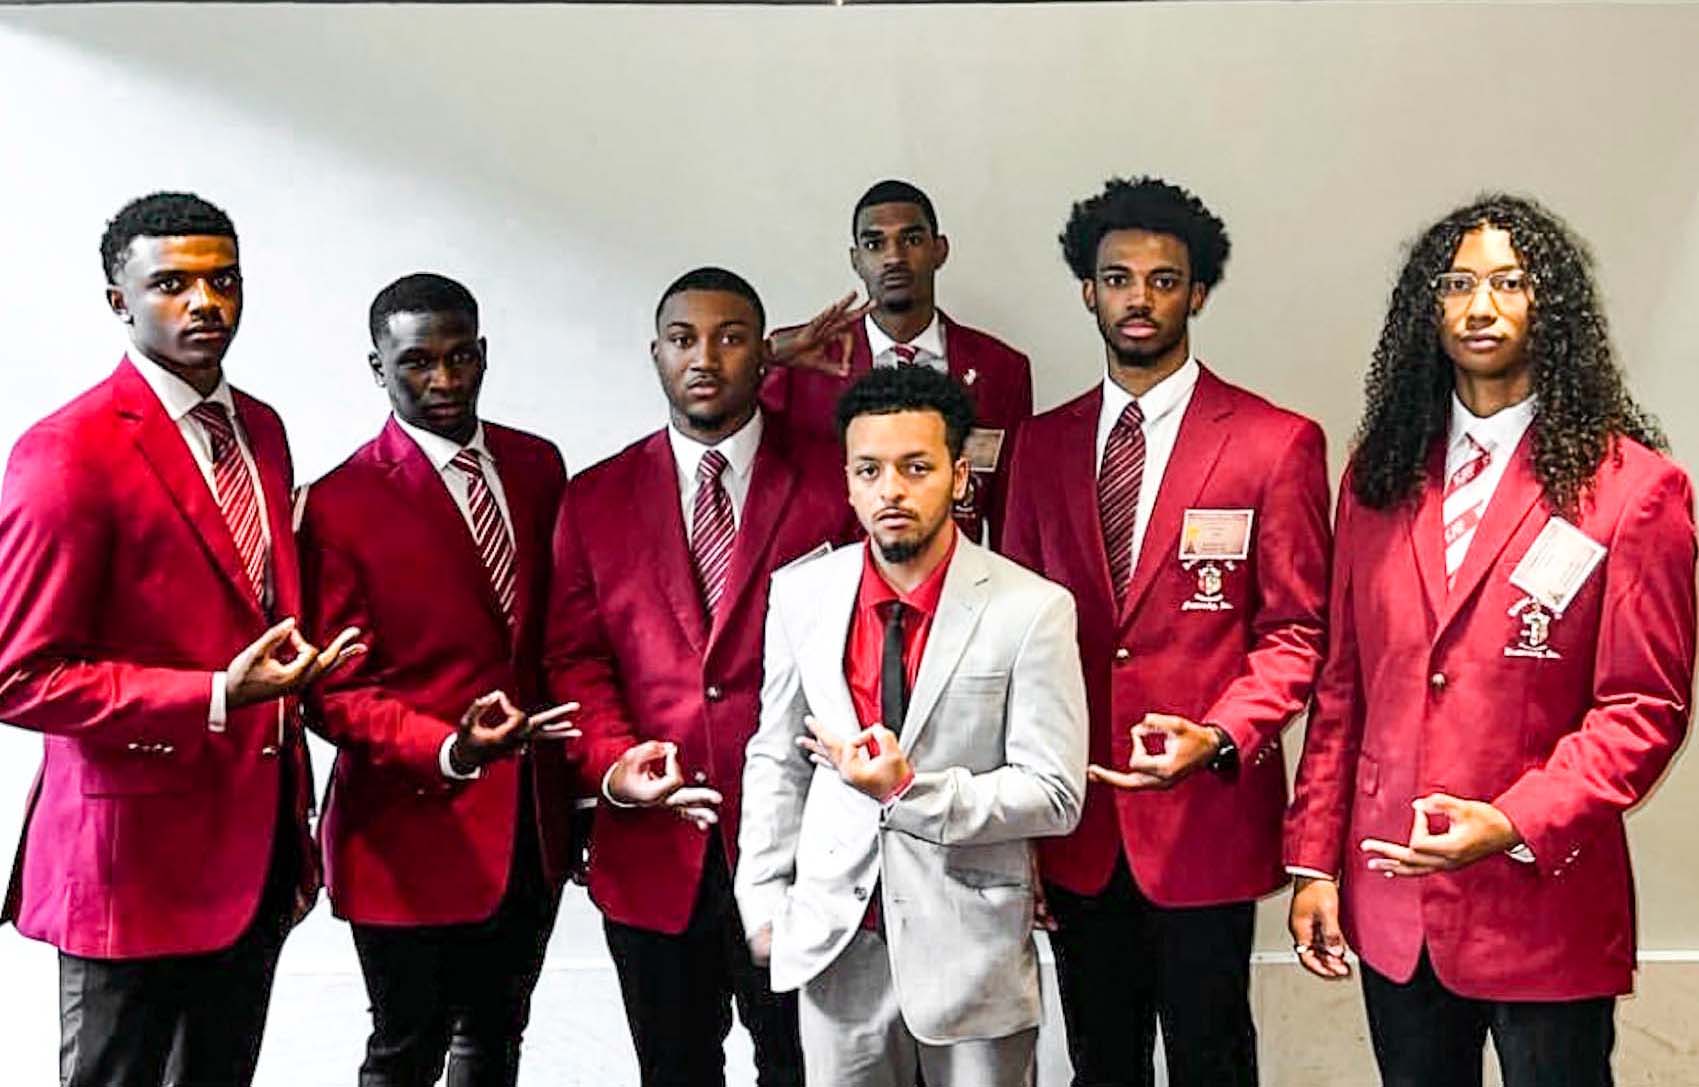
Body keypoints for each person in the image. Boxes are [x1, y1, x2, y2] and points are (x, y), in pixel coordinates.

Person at [1285, 194, 1696, 1087]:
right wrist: (1313, 862)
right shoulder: (1377, 476)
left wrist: (1512, 819)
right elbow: (1341, 687)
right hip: (1393, 898)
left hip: (1542, 901)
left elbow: (1642, 708)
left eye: (1508, 283)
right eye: (1458, 283)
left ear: (1551, 308)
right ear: (1424, 309)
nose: (1480, 306)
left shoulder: (1633, 488)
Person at [0, 191, 360, 1086]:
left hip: (258, 841)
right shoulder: (67, 450)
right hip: (131, 860)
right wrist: (209, 695)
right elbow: (19, 674)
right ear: (118, 301)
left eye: (222, 280)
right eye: (171, 284)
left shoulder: (261, 429)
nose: (204, 302)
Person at [1001, 176, 1330, 1087]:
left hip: (1206, 817)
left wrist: (1221, 732)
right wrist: (1018, 819)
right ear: (1087, 290)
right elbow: (1015, 643)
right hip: (1076, 820)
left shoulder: (1275, 441)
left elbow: (1299, 631)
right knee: (1100, 1062)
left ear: (1197, 293)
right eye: (1117, 278)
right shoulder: (1039, 445)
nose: (1137, 298)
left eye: (1161, 279)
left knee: (1211, 1057)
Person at [545, 267, 856, 1087]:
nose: (705, 357)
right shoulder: (594, 497)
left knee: (804, 1067)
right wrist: (613, 763)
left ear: (766, 354)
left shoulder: (836, 483)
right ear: (655, 354)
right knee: (673, 1070)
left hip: (801, 846)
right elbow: (573, 659)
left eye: (730, 337)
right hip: (653, 848)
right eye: (683, 339)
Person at [737, 364, 1089, 1087]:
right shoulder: (801, 596)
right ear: (846, 480)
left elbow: (1054, 792)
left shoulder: (1032, 608)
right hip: (834, 943)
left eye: (916, 467)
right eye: (869, 469)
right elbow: (776, 757)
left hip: (971, 947)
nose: (890, 490)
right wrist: (763, 900)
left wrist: (909, 791)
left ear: (959, 477)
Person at [298, 273, 577, 1086]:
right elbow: (333, 691)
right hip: (408, 828)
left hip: (529, 821)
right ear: (377, 369)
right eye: (418, 362)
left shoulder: (535, 465)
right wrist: (450, 746)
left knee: (497, 1039)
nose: (445, 380)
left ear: (484, 354)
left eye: (461, 357)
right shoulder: (339, 502)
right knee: (404, 1047)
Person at [761, 179, 1033, 544]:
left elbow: (1010, 511)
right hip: (835, 584)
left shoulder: (1001, 368)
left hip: (956, 583)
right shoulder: (803, 364)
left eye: (912, 240)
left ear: (940, 250)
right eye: (875, 244)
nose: (894, 257)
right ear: (856, 259)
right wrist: (765, 358)